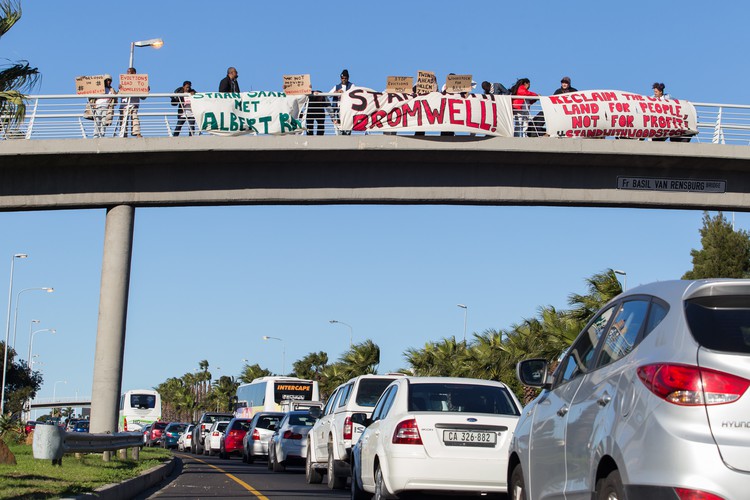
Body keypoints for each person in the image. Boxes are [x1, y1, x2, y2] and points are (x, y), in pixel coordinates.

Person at [118, 67, 147, 138]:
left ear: (134, 73)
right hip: (124, 105)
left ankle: (137, 133)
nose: (128, 73)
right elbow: (118, 95)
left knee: (135, 119)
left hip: (133, 105)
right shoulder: (124, 83)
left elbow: (143, 97)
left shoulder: (139, 83)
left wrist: (145, 90)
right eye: (127, 72)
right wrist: (120, 89)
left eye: (130, 72)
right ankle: (123, 134)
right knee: (123, 121)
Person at [329, 69, 353, 135]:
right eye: (342, 78)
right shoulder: (336, 87)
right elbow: (329, 94)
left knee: (347, 126)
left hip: (348, 110)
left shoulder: (352, 86)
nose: (344, 79)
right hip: (338, 109)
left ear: (348, 78)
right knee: (338, 126)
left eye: (345, 78)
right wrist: (336, 92)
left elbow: (354, 94)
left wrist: (345, 93)